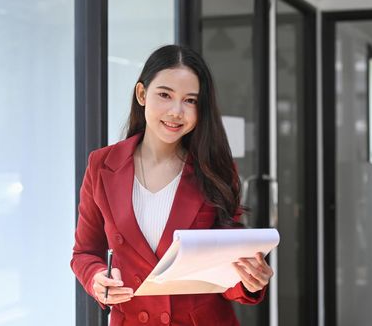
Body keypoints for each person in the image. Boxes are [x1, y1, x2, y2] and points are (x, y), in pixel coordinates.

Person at [71, 44, 273, 325]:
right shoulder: (102, 165)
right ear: (142, 94)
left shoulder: (216, 170)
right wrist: (96, 279)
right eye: (165, 95)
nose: (177, 111)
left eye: (190, 100)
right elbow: (85, 252)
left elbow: (226, 273)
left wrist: (250, 280)